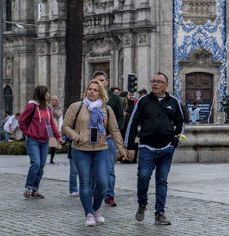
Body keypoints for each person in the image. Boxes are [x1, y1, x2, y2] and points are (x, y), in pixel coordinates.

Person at [124, 72, 187, 225]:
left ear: (166, 85)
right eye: (153, 81)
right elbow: (132, 123)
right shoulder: (143, 101)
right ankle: (142, 203)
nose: (155, 84)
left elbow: (181, 123)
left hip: (166, 148)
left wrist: (174, 143)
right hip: (147, 147)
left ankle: (160, 213)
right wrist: (130, 146)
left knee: (162, 181)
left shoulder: (174, 102)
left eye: (159, 82)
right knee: (143, 176)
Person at [63, 79, 126, 227]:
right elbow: (65, 126)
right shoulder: (76, 107)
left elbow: (115, 131)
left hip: (100, 149)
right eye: (89, 89)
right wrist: (77, 137)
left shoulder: (107, 110)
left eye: (95, 90)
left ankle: (97, 208)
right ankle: (89, 213)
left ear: (101, 93)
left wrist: (123, 150)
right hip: (80, 150)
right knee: (85, 183)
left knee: (103, 183)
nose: (91, 91)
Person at [18, 85, 61, 199]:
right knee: (36, 163)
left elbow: (51, 124)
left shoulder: (47, 107)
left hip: (45, 141)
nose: (48, 95)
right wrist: (27, 133)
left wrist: (58, 137)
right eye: (47, 93)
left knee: (41, 167)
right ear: (42, 94)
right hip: (33, 140)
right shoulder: (31, 106)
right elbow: (21, 120)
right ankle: (28, 187)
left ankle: (35, 190)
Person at [94, 72, 124, 207]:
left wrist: (113, 132)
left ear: (107, 81)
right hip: (94, 138)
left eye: (102, 80)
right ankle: (95, 193)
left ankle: (109, 195)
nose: (100, 83)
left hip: (109, 138)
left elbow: (120, 117)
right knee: (94, 168)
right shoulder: (90, 98)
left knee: (110, 168)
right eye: (97, 81)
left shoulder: (115, 99)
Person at [48, 95, 63, 164]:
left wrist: (60, 129)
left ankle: (51, 158)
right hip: (48, 126)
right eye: (52, 100)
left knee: (53, 143)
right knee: (46, 142)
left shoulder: (59, 109)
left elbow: (60, 119)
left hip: (55, 126)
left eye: (55, 100)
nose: (53, 101)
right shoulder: (47, 108)